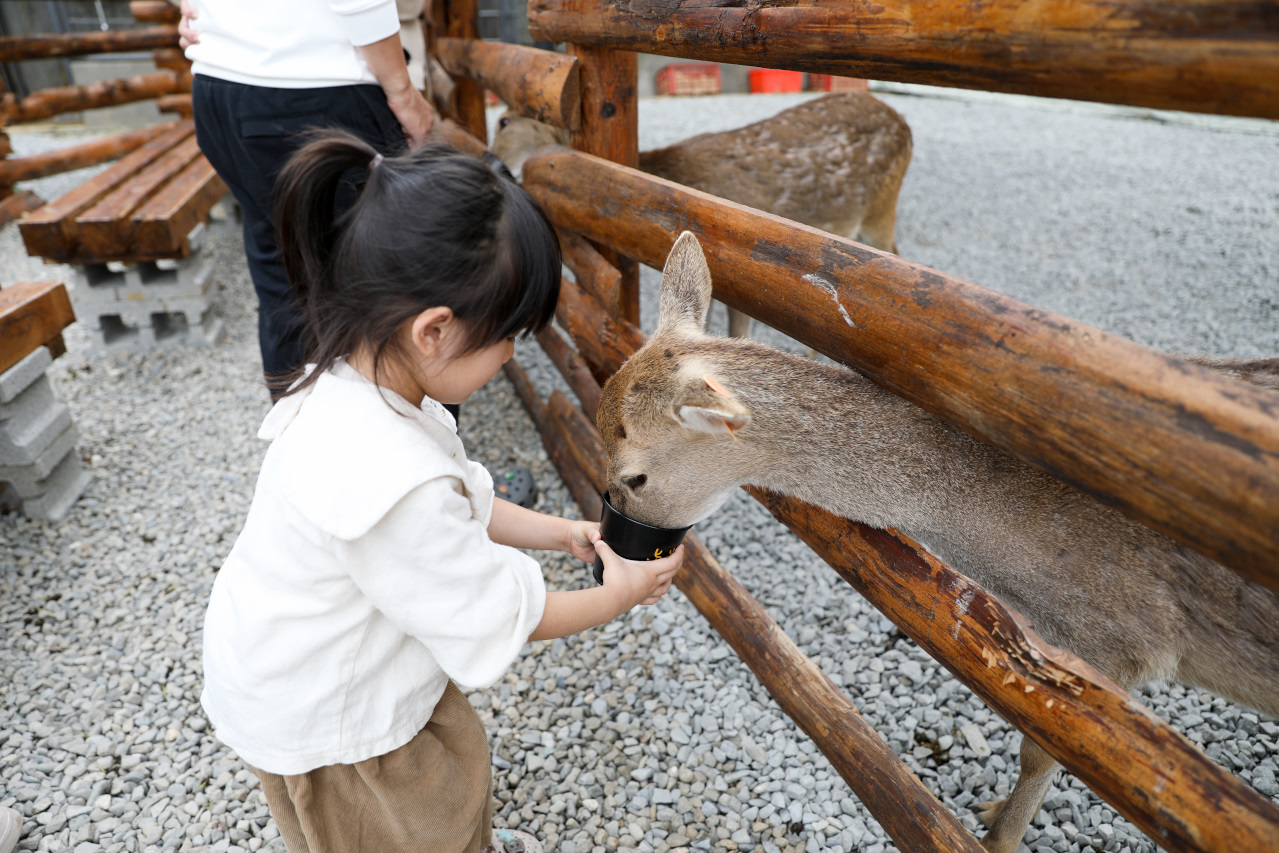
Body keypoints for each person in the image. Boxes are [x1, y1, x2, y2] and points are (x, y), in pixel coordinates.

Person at [198, 130, 685, 853]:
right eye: (509, 335)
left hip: (321, 656)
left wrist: (562, 531)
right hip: (330, 718)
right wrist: (618, 593)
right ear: (434, 331)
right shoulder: (386, 474)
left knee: (448, 770)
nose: (513, 353)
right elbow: (495, 611)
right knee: (395, 824)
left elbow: (466, 498)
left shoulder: (359, 383)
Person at [179, 0, 435, 393]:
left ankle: (300, 442)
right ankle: (410, 446)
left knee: (285, 275)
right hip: (319, 85)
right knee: (394, 286)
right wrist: (402, 91)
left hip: (221, 88)